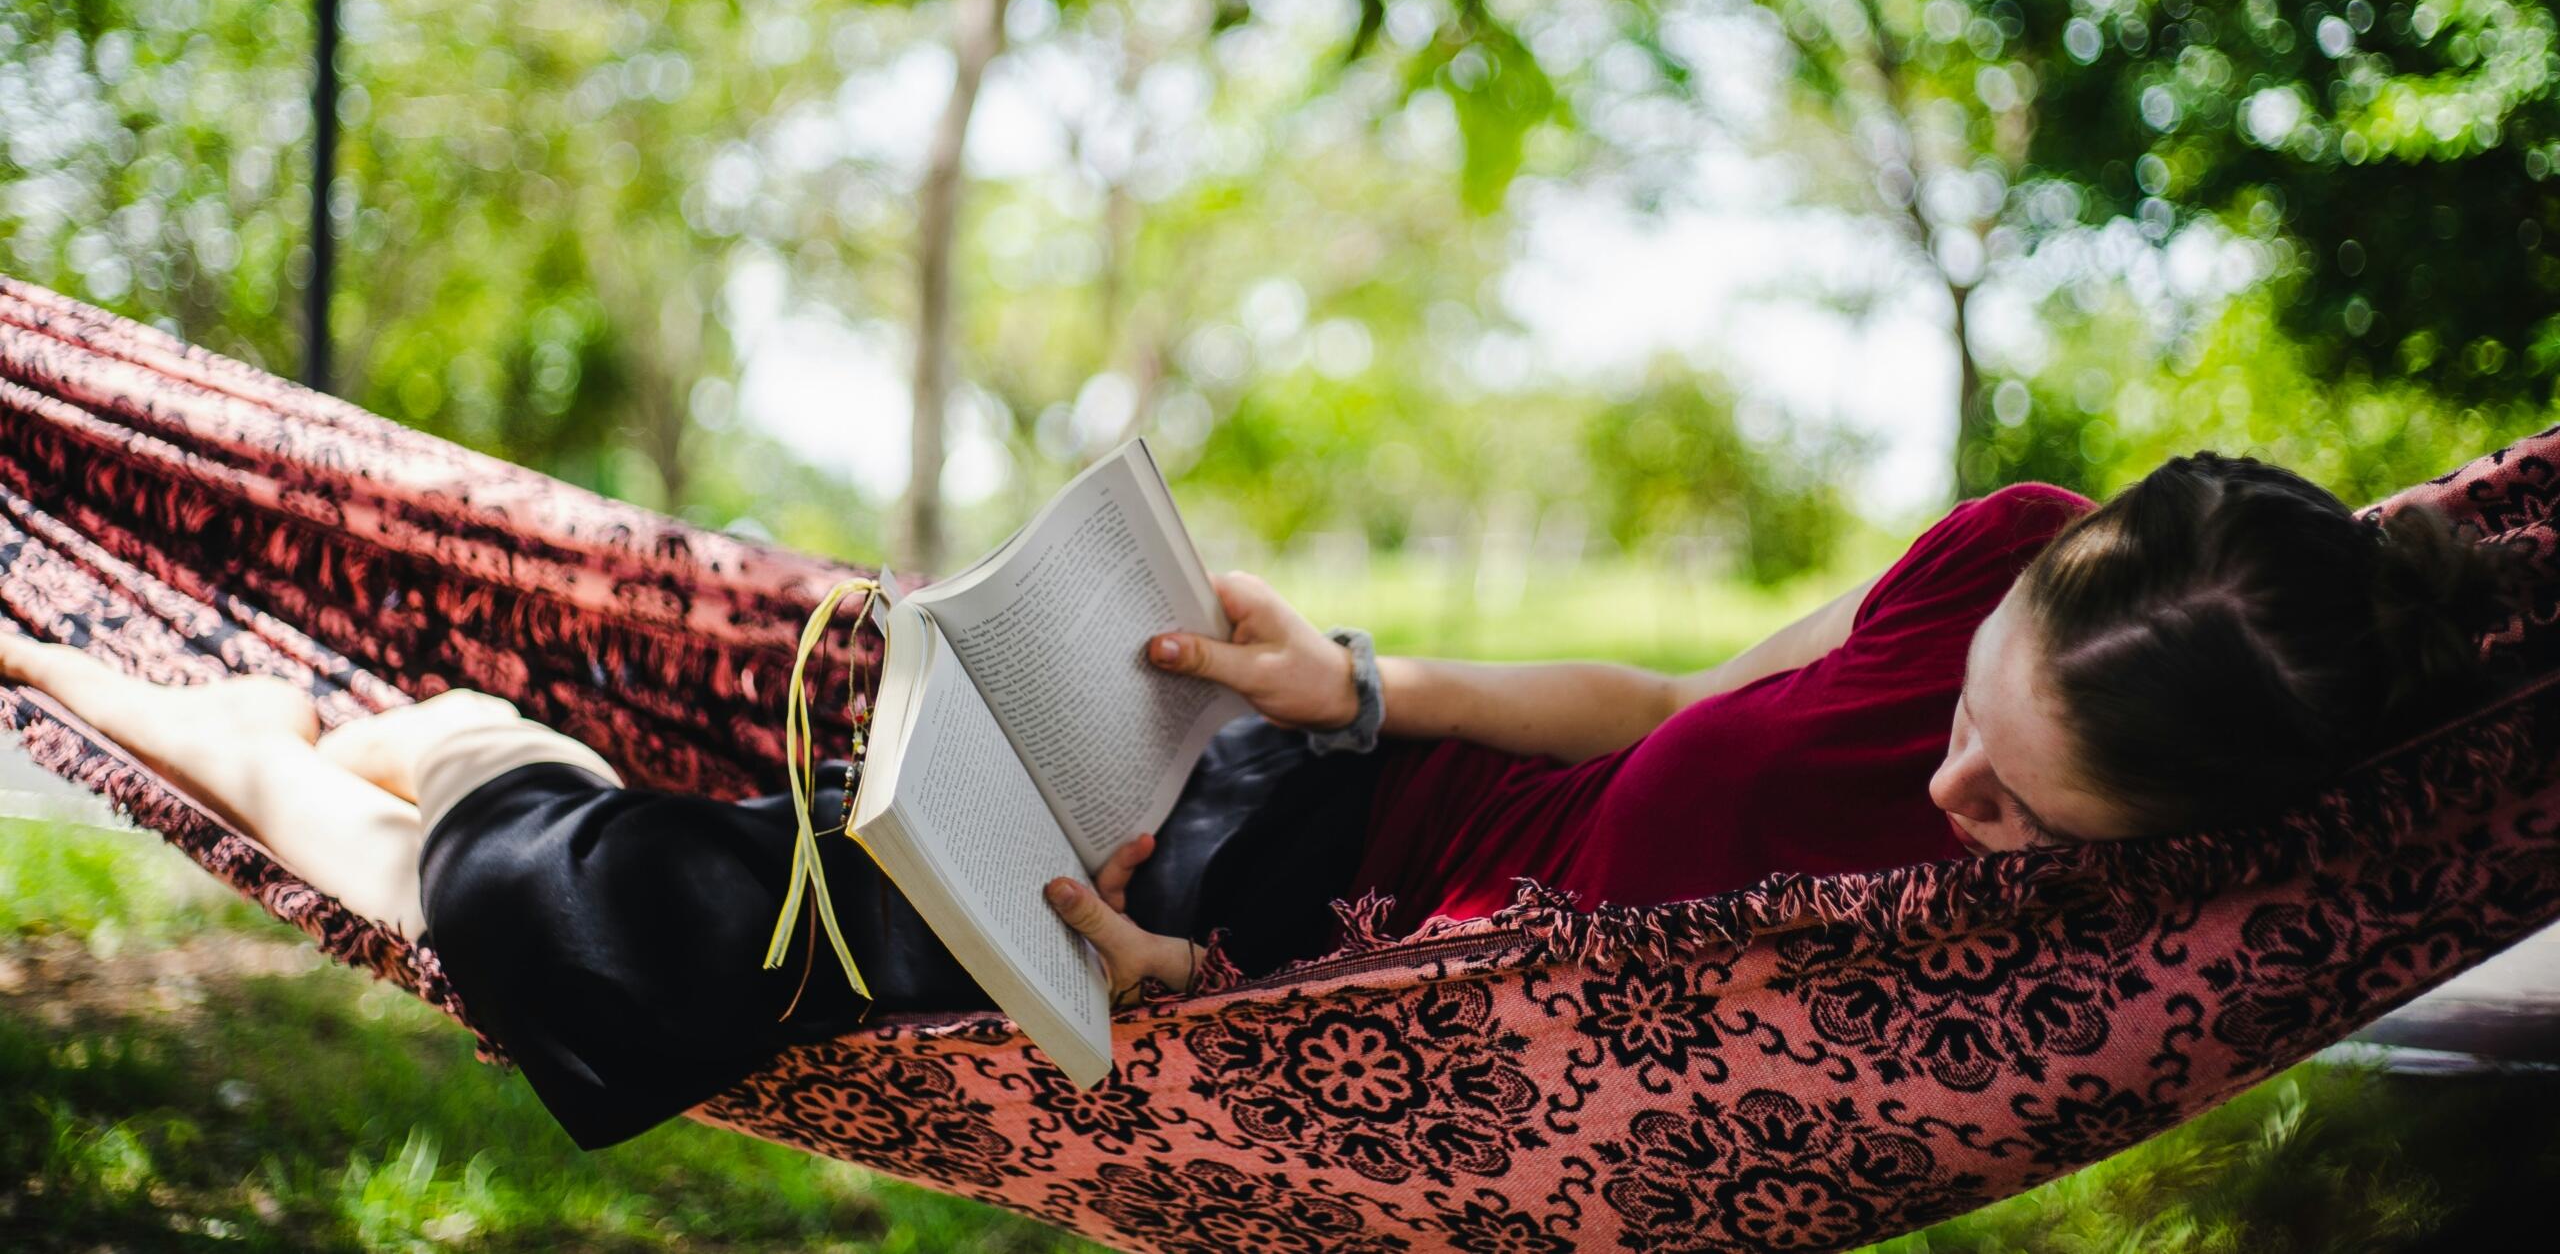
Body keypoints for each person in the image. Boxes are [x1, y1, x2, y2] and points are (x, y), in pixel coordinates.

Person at [0, 451, 2517, 1148]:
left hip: (1268, 987)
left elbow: (1525, 1069)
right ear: (2030, 578)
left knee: (650, 923)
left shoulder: (2016, 973)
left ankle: (227, 710)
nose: (1949, 777)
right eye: (1974, 701)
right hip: (1279, 810)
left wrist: (1193, 990)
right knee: (725, 853)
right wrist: (1367, 671)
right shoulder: (1995, 555)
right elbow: (1666, 704)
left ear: (2158, 858)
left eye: (2021, 809)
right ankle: (402, 748)